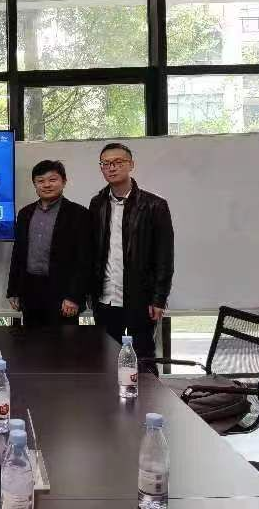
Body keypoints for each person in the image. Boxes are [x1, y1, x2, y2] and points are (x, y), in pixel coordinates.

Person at [90, 142, 174, 364]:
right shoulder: (97, 204)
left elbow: (164, 257)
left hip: (140, 299)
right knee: (105, 361)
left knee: (143, 361)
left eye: (118, 162)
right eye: (105, 163)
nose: (111, 167)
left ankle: (147, 389)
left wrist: (159, 298)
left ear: (131, 165)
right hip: (105, 299)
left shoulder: (154, 206)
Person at [7, 160, 92, 326]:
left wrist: (74, 296)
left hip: (63, 294)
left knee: (64, 341)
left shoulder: (79, 214)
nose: (46, 185)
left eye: (52, 180)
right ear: (35, 184)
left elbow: (85, 259)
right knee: (31, 339)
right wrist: (13, 290)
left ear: (64, 181)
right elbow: (18, 254)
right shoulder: (25, 213)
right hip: (30, 290)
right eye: (40, 181)